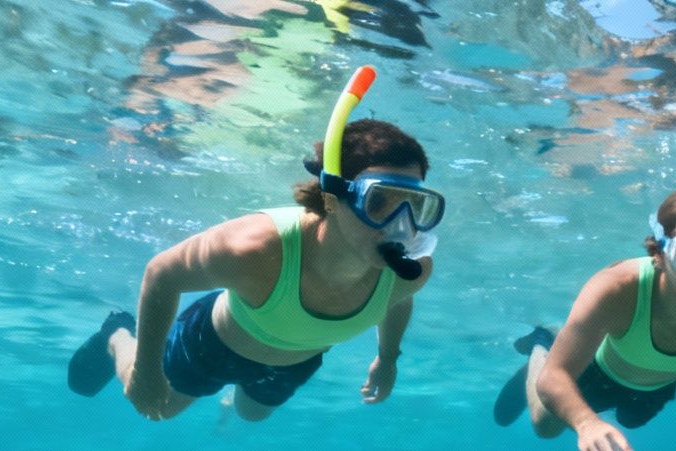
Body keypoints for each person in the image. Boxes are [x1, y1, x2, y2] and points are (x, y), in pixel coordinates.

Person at [66, 67, 443, 421]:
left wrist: (387, 359)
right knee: (159, 409)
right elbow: (162, 273)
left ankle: (235, 395)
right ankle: (116, 334)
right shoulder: (256, 249)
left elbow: (398, 299)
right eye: (380, 202)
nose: (400, 227)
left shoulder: (409, 272)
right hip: (214, 345)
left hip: (298, 359)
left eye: (415, 207)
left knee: (252, 414)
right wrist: (147, 370)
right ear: (332, 198)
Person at [494, 164, 676, 451]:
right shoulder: (616, 290)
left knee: (631, 422)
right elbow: (555, 377)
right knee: (546, 426)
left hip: (659, 383)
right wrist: (586, 423)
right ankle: (543, 343)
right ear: (659, 255)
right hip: (601, 368)